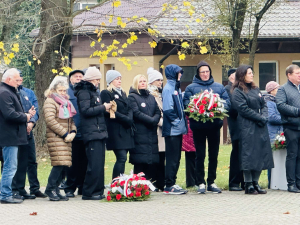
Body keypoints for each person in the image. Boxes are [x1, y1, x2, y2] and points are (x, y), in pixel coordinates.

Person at [183, 61, 230, 194]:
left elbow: (227, 104)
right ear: (198, 73)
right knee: (200, 155)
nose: (205, 74)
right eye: (202, 72)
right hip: (198, 127)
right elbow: (186, 104)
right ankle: (200, 182)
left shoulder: (219, 87)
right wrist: (198, 111)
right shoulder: (191, 88)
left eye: (207, 71)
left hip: (214, 126)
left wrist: (217, 110)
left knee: (213, 155)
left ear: (210, 72)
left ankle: (211, 181)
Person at [232, 65, 274, 195]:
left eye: (252, 73)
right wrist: (259, 118)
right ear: (242, 75)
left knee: (260, 152)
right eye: (249, 73)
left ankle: (256, 183)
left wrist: (264, 117)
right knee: (248, 154)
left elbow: (264, 104)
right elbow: (243, 109)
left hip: (260, 125)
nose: (252, 75)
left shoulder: (256, 89)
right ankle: (248, 184)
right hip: (247, 125)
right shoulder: (238, 91)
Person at [75, 67, 112, 200]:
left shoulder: (93, 92)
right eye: (97, 79)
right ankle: (89, 192)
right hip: (91, 131)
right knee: (94, 164)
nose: (98, 82)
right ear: (91, 79)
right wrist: (103, 107)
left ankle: (98, 189)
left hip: (99, 131)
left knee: (99, 163)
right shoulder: (84, 92)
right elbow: (85, 111)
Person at [0, 68, 35, 204]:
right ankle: (5, 194)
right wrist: (25, 116)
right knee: (10, 166)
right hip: (9, 135)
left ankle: (6, 192)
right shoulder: (4, 93)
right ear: (9, 79)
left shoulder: (9, 91)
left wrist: (27, 114)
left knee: (11, 166)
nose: (18, 82)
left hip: (13, 135)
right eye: (16, 80)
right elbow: (9, 114)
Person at [11, 72, 46, 200]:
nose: (19, 79)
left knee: (31, 160)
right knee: (17, 161)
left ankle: (34, 188)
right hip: (16, 132)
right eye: (17, 78)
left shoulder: (28, 93)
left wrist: (31, 122)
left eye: (20, 77)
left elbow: (35, 109)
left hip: (28, 131)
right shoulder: (9, 92)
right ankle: (15, 189)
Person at [43, 76, 77, 201]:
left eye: (64, 90)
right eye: (60, 90)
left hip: (66, 137)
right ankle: (50, 189)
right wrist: (65, 134)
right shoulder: (50, 101)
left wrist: (73, 131)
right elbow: (50, 120)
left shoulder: (66, 102)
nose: (63, 93)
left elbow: (71, 120)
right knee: (58, 164)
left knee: (64, 165)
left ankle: (56, 189)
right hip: (56, 137)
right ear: (54, 90)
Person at [100, 70, 134, 179]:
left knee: (123, 159)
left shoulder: (123, 93)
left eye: (120, 78)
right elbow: (109, 111)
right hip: (115, 130)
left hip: (125, 129)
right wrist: (125, 118)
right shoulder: (106, 93)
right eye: (116, 79)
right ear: (111, 81)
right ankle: (116, 182)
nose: (119, 81)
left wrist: (129, 118)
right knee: (121, 157)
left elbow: (129, 107)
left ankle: (120, 181)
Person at [128, 74, 161, 182]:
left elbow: (157, 111)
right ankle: (138, 184)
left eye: (144, 81)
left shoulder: (151, 97)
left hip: (151, 132)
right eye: (140, 81)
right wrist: (151, 120)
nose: (143, 83)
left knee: (151, 160)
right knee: (140, 160)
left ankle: (149, 183)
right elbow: (136, 113)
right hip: (139, 132)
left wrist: (155, 119)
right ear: (136, 83)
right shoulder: (132, 97)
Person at [162, 64, 188, 194]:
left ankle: (173, 182)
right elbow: (167, 109)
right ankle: (168, 185)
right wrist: (177, 122)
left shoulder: (175, 87)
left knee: (176, 158)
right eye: (179, 72)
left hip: (177, 130)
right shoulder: (168, 89)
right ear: (173, 73)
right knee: (172, 158)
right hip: (172, 130)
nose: (181, 75)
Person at [64, 70, 88, 198]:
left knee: (84, 162)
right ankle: (69, 188)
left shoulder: (85, 91)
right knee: (72, 163)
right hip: (72, 132)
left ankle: (82, 186)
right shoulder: (67, 92)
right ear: (70, 79)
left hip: (85, 133)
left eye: (80, 76)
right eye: (76, 77)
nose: (78, 78)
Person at [276, 64, 300, 193]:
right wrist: (297, 111)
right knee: (292, 155)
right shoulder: (283, 89)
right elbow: (281, 105)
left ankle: (299, 182)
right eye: (297, 73)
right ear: (289, 75)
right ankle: (291, 184)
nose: (299, 75)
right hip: (291, 127)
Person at [225, 68, 244, 191]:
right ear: (230, 77)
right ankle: (234, 182)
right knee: (237, 152)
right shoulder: (228, 89)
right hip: (235, 123)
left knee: (244, 152)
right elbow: (231, 107)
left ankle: (244, 180)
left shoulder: (242, 88)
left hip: (244, 124)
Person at [147, 67, 165, 191]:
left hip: (162, 130)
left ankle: (160, 182)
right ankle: (153, 182)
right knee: (155, 158)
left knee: (162, 157)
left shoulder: (160, 93)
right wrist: (162, 122)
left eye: (161, 80)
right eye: (158, 80)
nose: (160, 82)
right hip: (155, 129)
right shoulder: (150, 94)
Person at [182, 118, 197, 188]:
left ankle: (194, 181)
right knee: (190, 157)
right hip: (189, 130)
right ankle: (191, 182)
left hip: (191, 129)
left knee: (195, 157)